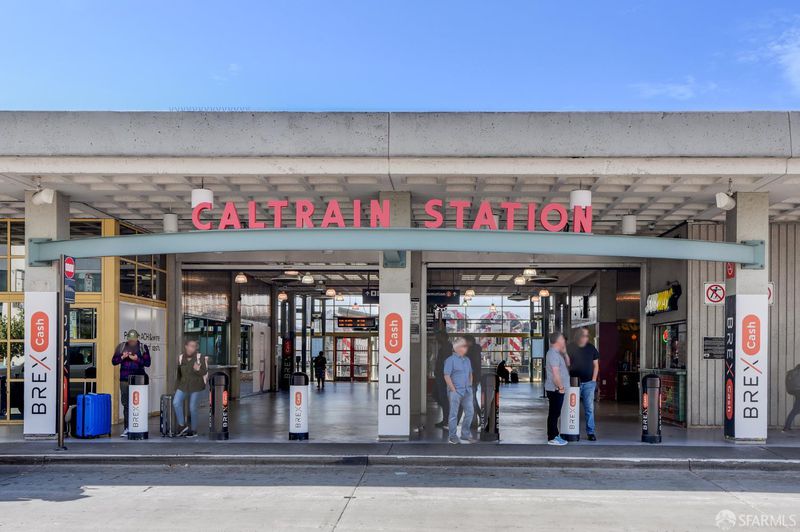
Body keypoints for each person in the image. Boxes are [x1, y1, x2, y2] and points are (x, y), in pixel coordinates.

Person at [111, 329, 151, 438]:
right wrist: (122, 357)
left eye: (133, 340)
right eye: (130, 339)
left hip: (138, 381)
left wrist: (137, 359)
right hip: (124, 380)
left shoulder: (142, 347)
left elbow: (147, 363)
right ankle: (127, 428)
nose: (131, 341)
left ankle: (138, 426)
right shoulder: (121, 347)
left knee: (137, 404)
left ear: (137, 338)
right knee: (126, 404)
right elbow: (114, 361)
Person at [567, 326, 600, 441]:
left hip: (588, 383)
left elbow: (596, 365)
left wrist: (594, 381)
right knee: (571, 408)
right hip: (573, 384)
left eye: (587, 336)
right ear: (578, 336)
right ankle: (571, 430)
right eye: (583, 335)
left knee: (589, 409)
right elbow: (565, 363)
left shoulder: (591, 348)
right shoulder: (570, 347)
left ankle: (591, 432)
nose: (586, 337)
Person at [443, 337, 475, 444]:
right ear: (456, 348)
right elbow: (446, 375)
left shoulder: (467, 360)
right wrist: (453, 389)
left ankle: (465, 434)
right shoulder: (450, 360)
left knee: (470, 412)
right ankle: (452, 436)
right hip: (455, 392)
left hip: (467, 391)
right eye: (463, 346)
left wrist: (470, 385)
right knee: (453, 415)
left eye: (465, 346)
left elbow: (470, 373)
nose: (465, 348)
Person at [173, 339, 208, 437]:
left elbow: (204, 372)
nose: (192, 348)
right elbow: (179, 374)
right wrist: (176, 387)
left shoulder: (200, 357)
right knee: (176, 402)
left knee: (192, 407)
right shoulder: (181, 358)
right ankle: (182, 426)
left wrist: (197, 370)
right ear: (186, 346)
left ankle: (194, 430)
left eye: (194, 346)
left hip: (197, 386)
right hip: (183, 385)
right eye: (190, 346)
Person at [545, 332, 570, 446]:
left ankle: (554, 435)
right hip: (555, 389)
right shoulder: (553, 354)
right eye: (562, 339)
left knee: (555, 413)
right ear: (557, 341)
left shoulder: (557, 353)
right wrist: (561, 387)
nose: (564, 341)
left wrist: (565, 353)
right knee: (554, 414)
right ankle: (552, 437)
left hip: (557, 388)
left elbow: (568, 363)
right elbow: (555, 374)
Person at [434, 328, 453, 429]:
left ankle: (446, 419)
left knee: (442, 397)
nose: (436, 339)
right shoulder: (445, 347)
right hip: (441, 376)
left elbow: (445, 363)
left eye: (438, 337)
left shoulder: (446, 347)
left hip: (442, 377)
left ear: (443, 337)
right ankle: (446, 418)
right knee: (438, 396)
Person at [464, 335, 482, 430]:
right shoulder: (474, 350)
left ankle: (474, 421)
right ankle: (481, 418)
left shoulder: (472, 351)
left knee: (472, 400)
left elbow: (472, 366)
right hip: (474, 378)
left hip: (472, 379)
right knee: (472, 399)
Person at [783, 363, 800, 431]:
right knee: (795, 411)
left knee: (795, 410)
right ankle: (786, 427)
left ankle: (787, 426)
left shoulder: (791, 372)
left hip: (795, 392)